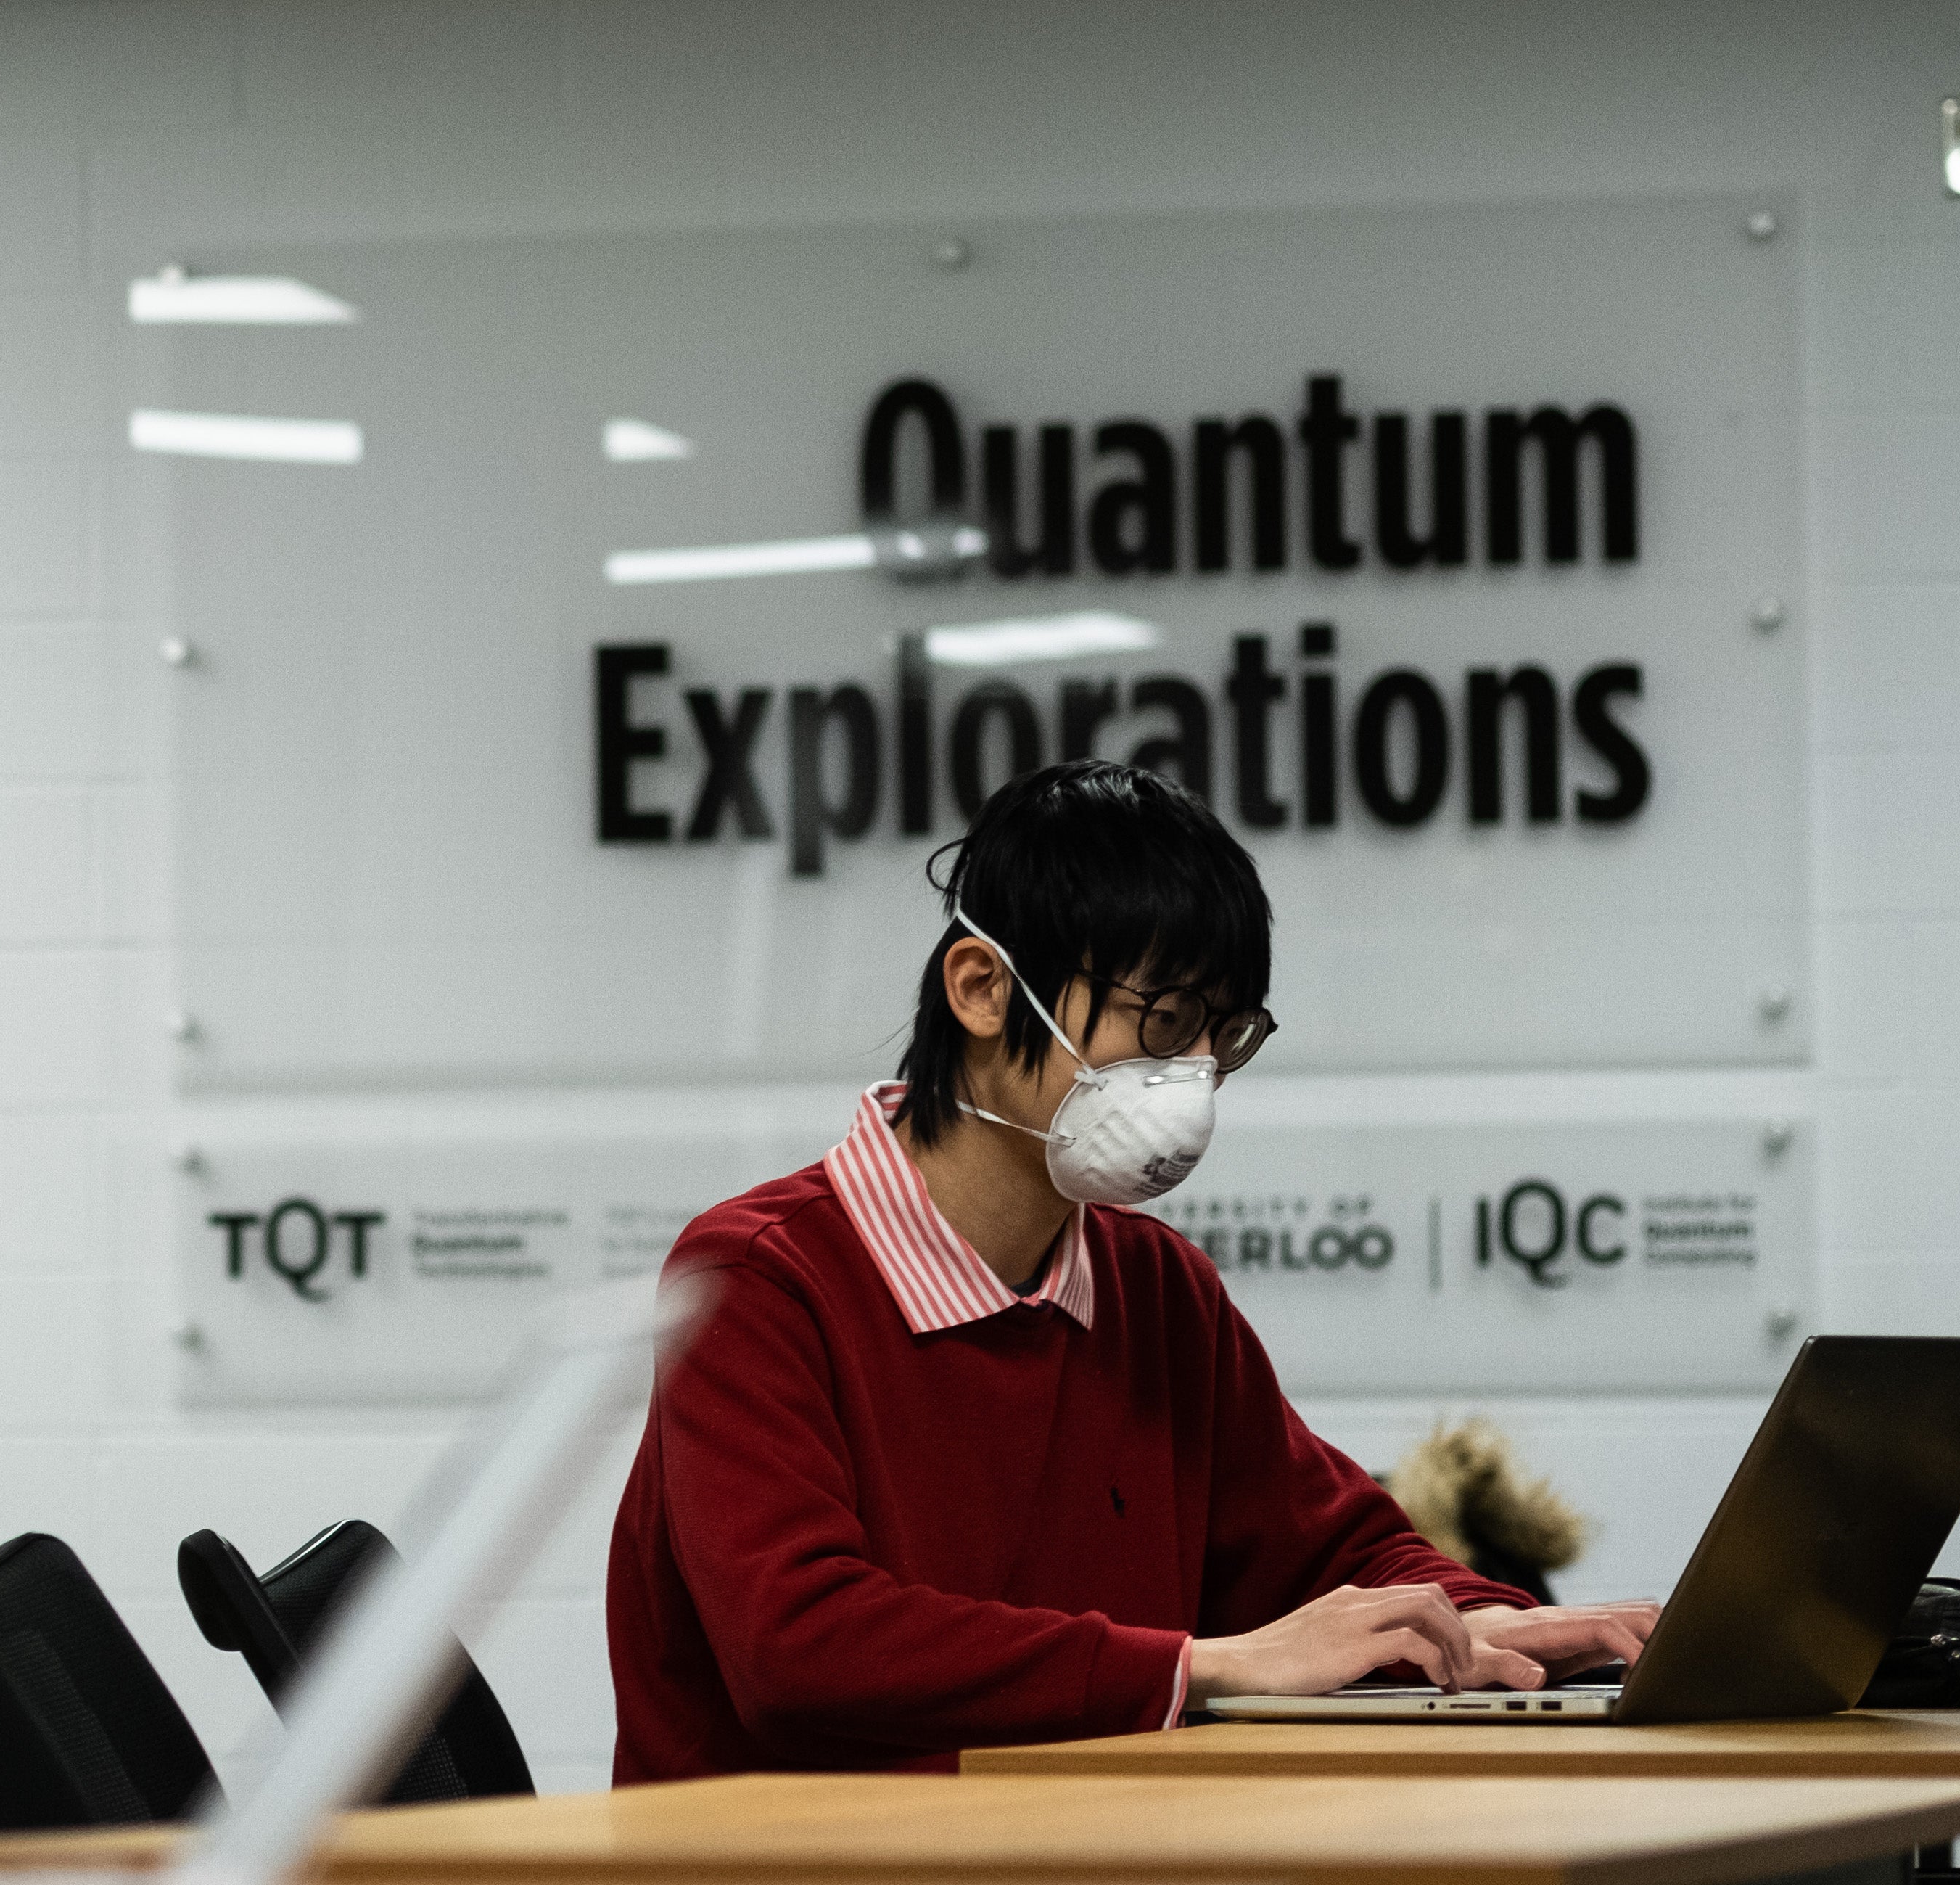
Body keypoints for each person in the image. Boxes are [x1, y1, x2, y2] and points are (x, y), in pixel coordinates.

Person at [609, 758, 1650, 1780]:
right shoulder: (755, 1278)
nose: (1192, 1075)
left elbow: (1340, 1553)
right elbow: (800, 1648)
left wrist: (1505, 1624)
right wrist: (1203, 1666)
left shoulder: (1157, 1290)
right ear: (980, 989)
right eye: (1161, 1022)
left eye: (1219, 1035)